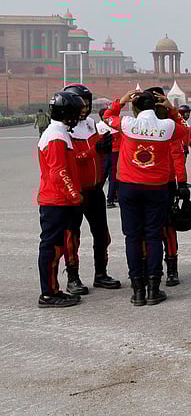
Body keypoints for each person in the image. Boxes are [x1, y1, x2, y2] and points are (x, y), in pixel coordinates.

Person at [104, 90, 190, 306]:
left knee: (132, 237)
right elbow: (186, 131)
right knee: (153, 236)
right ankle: (154, 288)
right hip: (156, 187)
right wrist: (172, 109)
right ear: (155, 106)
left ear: (135, 108)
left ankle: (138, 290)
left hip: (129, 187)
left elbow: (106, 118)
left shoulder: (126, 123)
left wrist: (120, 101)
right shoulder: (167, 127)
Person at [61, 84, 121, 294]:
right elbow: (67, 161)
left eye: (87, 104)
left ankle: (101, 273)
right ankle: (72, 277)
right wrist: (92, 151)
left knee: (102, 234)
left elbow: (95, 155)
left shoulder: (90, 124)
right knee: (72, 236)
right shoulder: (63, 129)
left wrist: (103, 150)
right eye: (81, 104)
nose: (85, 108)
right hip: (75, 191)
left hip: (95, 188)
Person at [36, 91, 85, 308]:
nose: (79, 115)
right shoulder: (56, 136)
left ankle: (53, 289)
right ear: (67, 113)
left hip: (58, 199)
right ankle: (48, 293)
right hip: (56, 200)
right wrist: (74, 195)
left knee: (57, 247)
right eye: (76, 111)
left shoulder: (59, 132)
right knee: (52, 247)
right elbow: (59, 171)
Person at [145, 87, 191, 287]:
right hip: (153, 182)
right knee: (158, 228)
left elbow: (177, 154)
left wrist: (181, 181)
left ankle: (169, 268)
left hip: (162, 182)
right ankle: (160, 268)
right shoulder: (160, 125)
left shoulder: (168, 126)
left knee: (165, 227)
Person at [96, 107, 121, 208]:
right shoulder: (115, 126)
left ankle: (97, 196)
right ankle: (110, 199)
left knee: (102, 175)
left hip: (103, 154)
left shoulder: (97, 126)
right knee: (113, 177)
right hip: (115, 153)